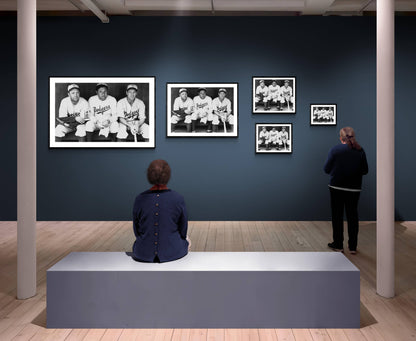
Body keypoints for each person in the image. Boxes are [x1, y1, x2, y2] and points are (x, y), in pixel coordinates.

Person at [132, 160, 189, 263]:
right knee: (187, 240)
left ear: (149, 174)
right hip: (173, 252)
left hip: (142, 253)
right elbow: (183, 230)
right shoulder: (178, 198)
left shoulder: (139, 199)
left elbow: (137, 230)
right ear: (168, 175)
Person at [324, 127, 368, 254]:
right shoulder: (360, 150)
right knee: (353, 217)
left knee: (337, 216)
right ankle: (353, 247)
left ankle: (338, 244)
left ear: (340, 138)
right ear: (353, 137)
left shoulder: (335, 150)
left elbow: (326, 169)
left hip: (336, 187)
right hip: (354, 189)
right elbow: (365, 170)